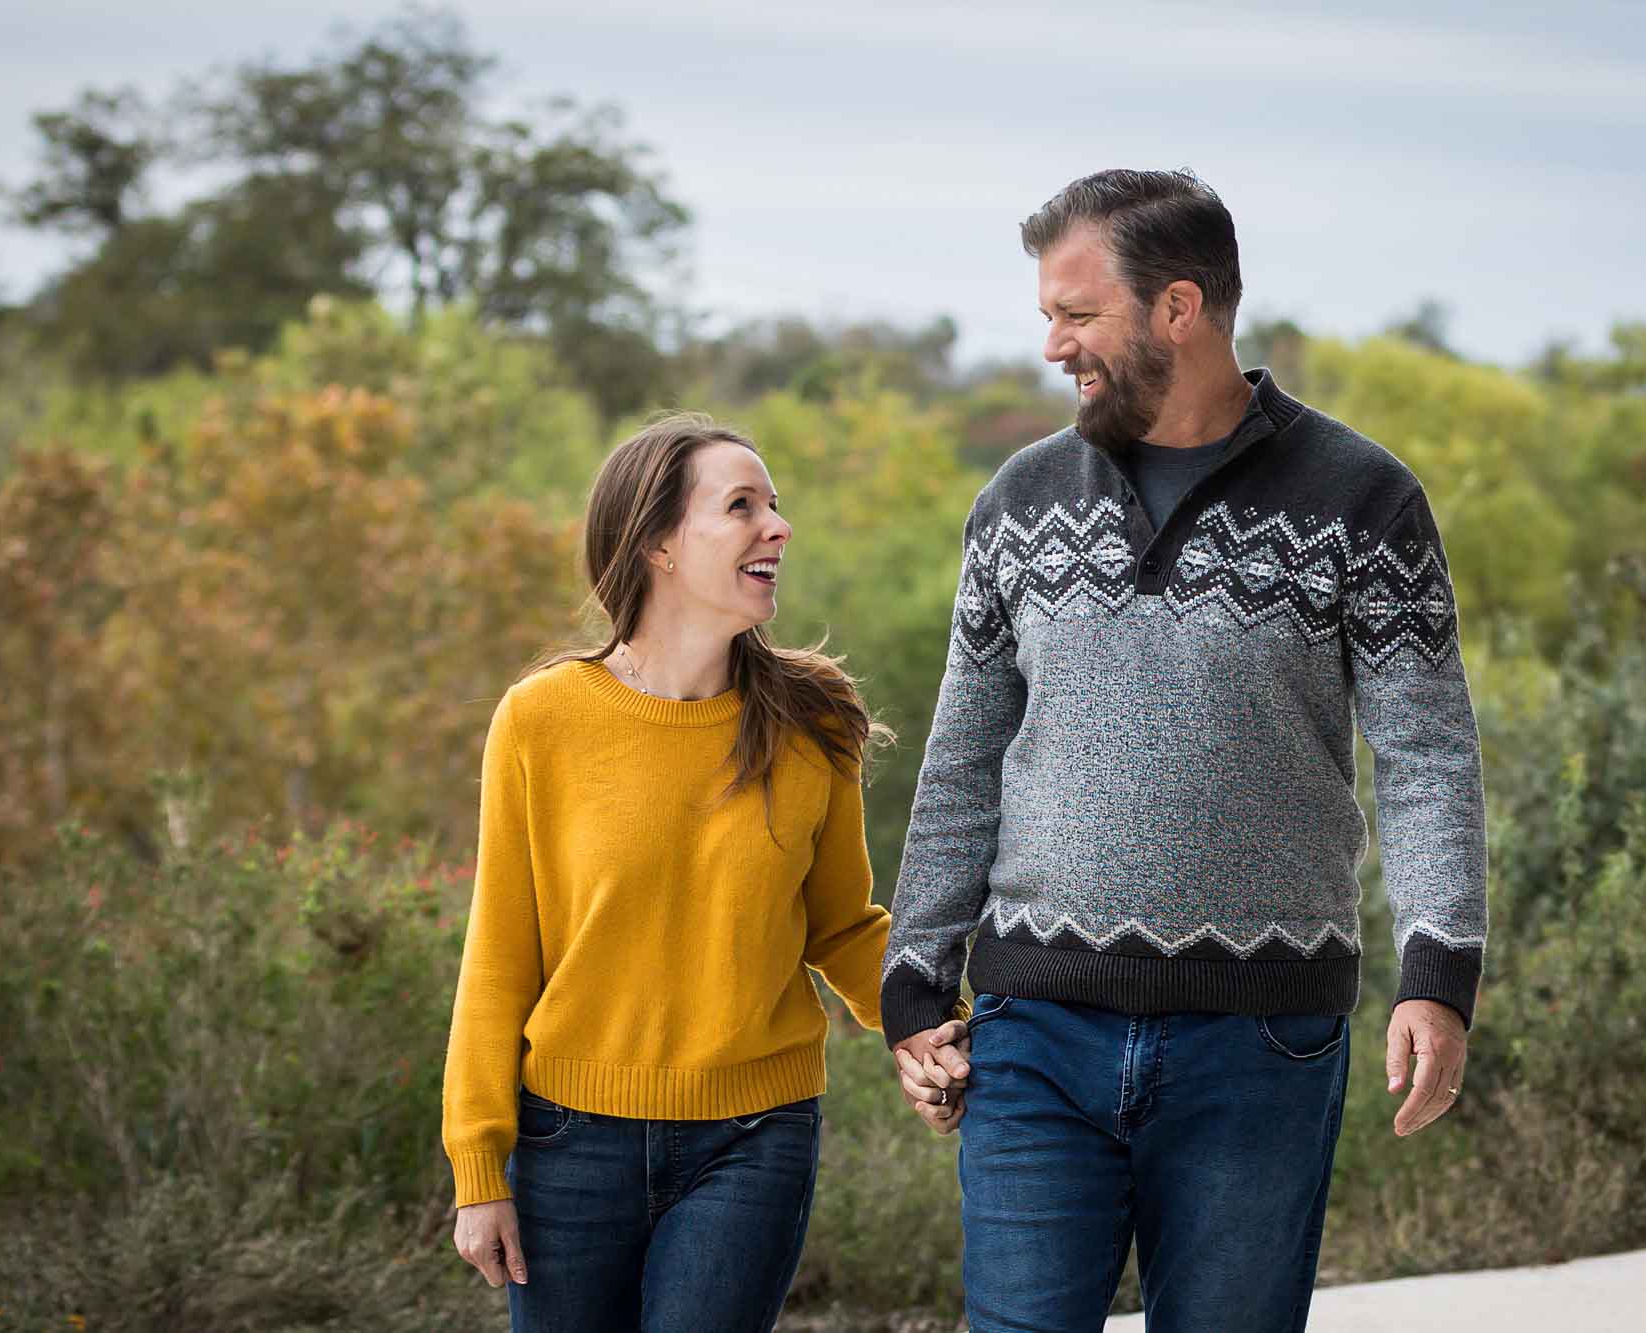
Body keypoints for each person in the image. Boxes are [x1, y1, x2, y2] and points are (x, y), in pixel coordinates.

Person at [882, 170, 1489, 1332]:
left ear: (1176, 308)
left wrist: (1437, 971)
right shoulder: (1018, 499)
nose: (1052, 344)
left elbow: (1425, 758)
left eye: (1075, 313)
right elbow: (964, 753)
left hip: (1258, 1036)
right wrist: (915, 974)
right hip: (1032, 1028)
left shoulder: (1363, 499)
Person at [441, 413, 968, 1333]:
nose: (779, 527)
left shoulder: (814, 718)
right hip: (567, 1140)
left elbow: (841, 924)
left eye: (775, 504)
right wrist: (478, 1167)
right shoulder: (542, 719)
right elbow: (499, 954)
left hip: (754, 1137)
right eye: (742, 506)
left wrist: (922, 1025)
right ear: (659, 545)